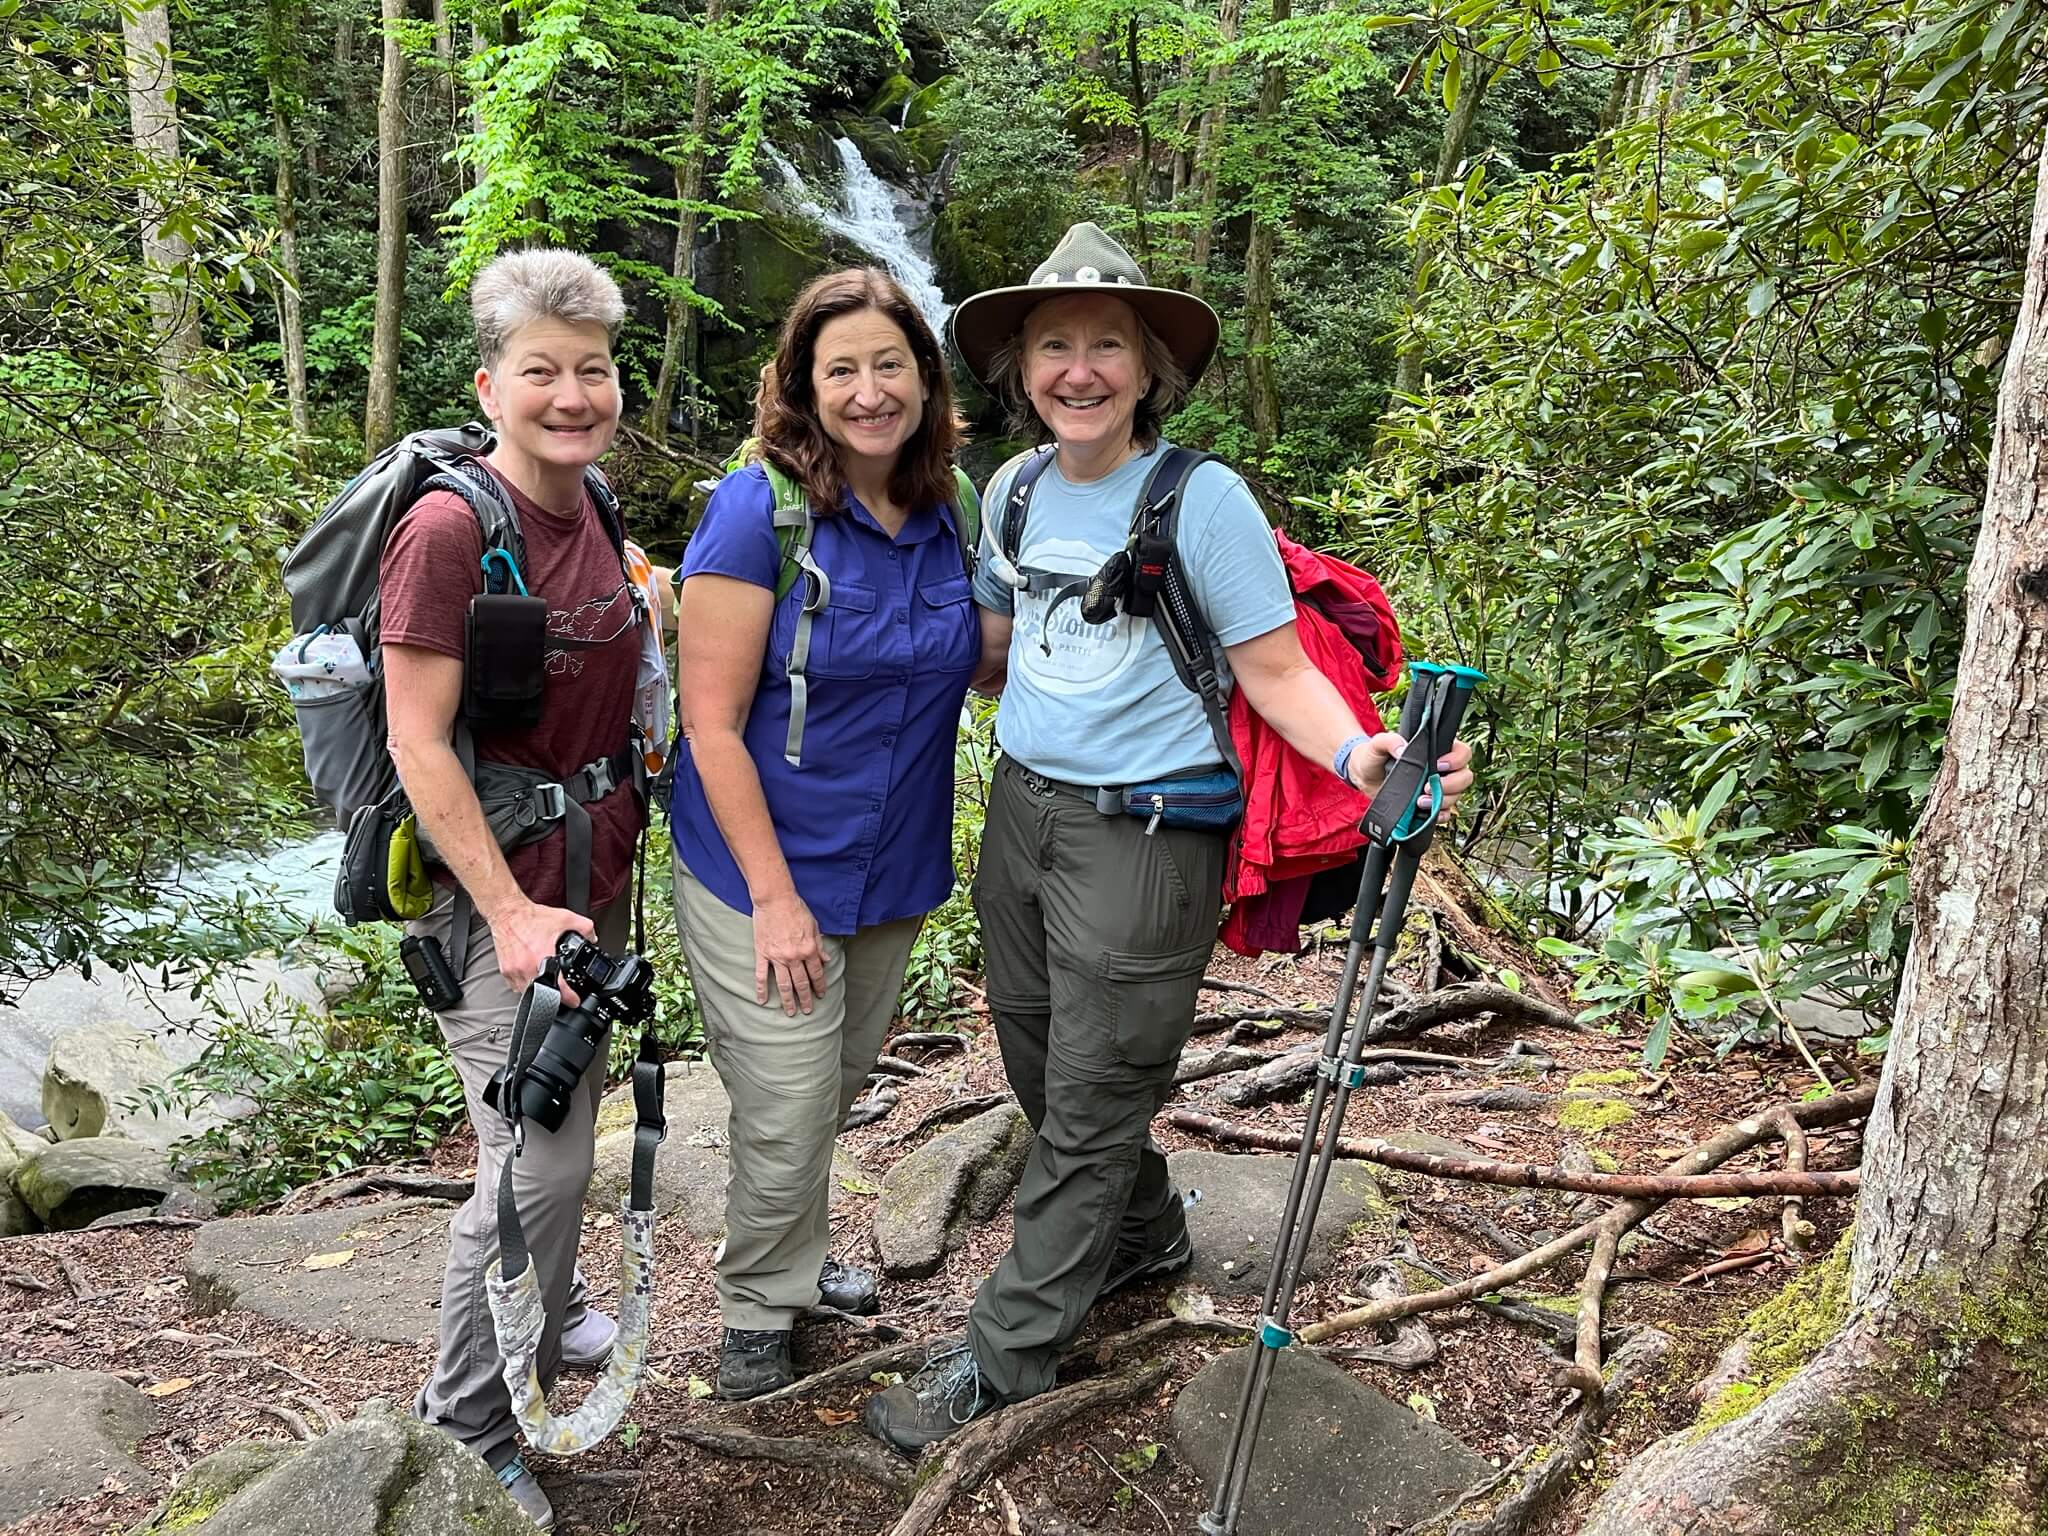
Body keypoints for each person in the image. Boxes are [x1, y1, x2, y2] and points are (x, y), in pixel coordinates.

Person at [863, 223, 1476, 1452]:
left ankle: (1006, 1356)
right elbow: (990, 646)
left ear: (1148, 372)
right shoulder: (1020, 491)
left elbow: (1272, 667)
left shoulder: (1199, 500)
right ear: (1016, 371)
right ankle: (1139, 1233)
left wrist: (1361, 755)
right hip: (1023, 815)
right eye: (1051, 347)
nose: (1075, 370)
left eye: (1104, 347)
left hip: (1148, 840)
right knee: (1042, 1069)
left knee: (1090, 1100)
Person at [669, 268, 978, 1400]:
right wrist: (774, 897)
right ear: (800, 385)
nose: (865, 390)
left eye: (886, 364)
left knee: (829, 1087)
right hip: (760, 866)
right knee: (792, 1101)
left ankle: (793, 1263)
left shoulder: (955, 511)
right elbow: (708, 721)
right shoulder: (757, 511)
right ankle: (756, 1310)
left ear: (923, 376)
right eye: (837, 368)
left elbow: (989, 662)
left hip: (890, 867)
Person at [383, 248, 654, 1530]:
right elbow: (415, 742)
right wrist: (502, 912)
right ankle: (467, 1425)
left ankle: (546, 1313)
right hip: (493, 902)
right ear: (492, 385)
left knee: (551, 1139)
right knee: (533, 1168)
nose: (570, 394)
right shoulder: (448, 531)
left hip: (581, 887)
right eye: (540, 371)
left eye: (590, 370)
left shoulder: (591, 501)